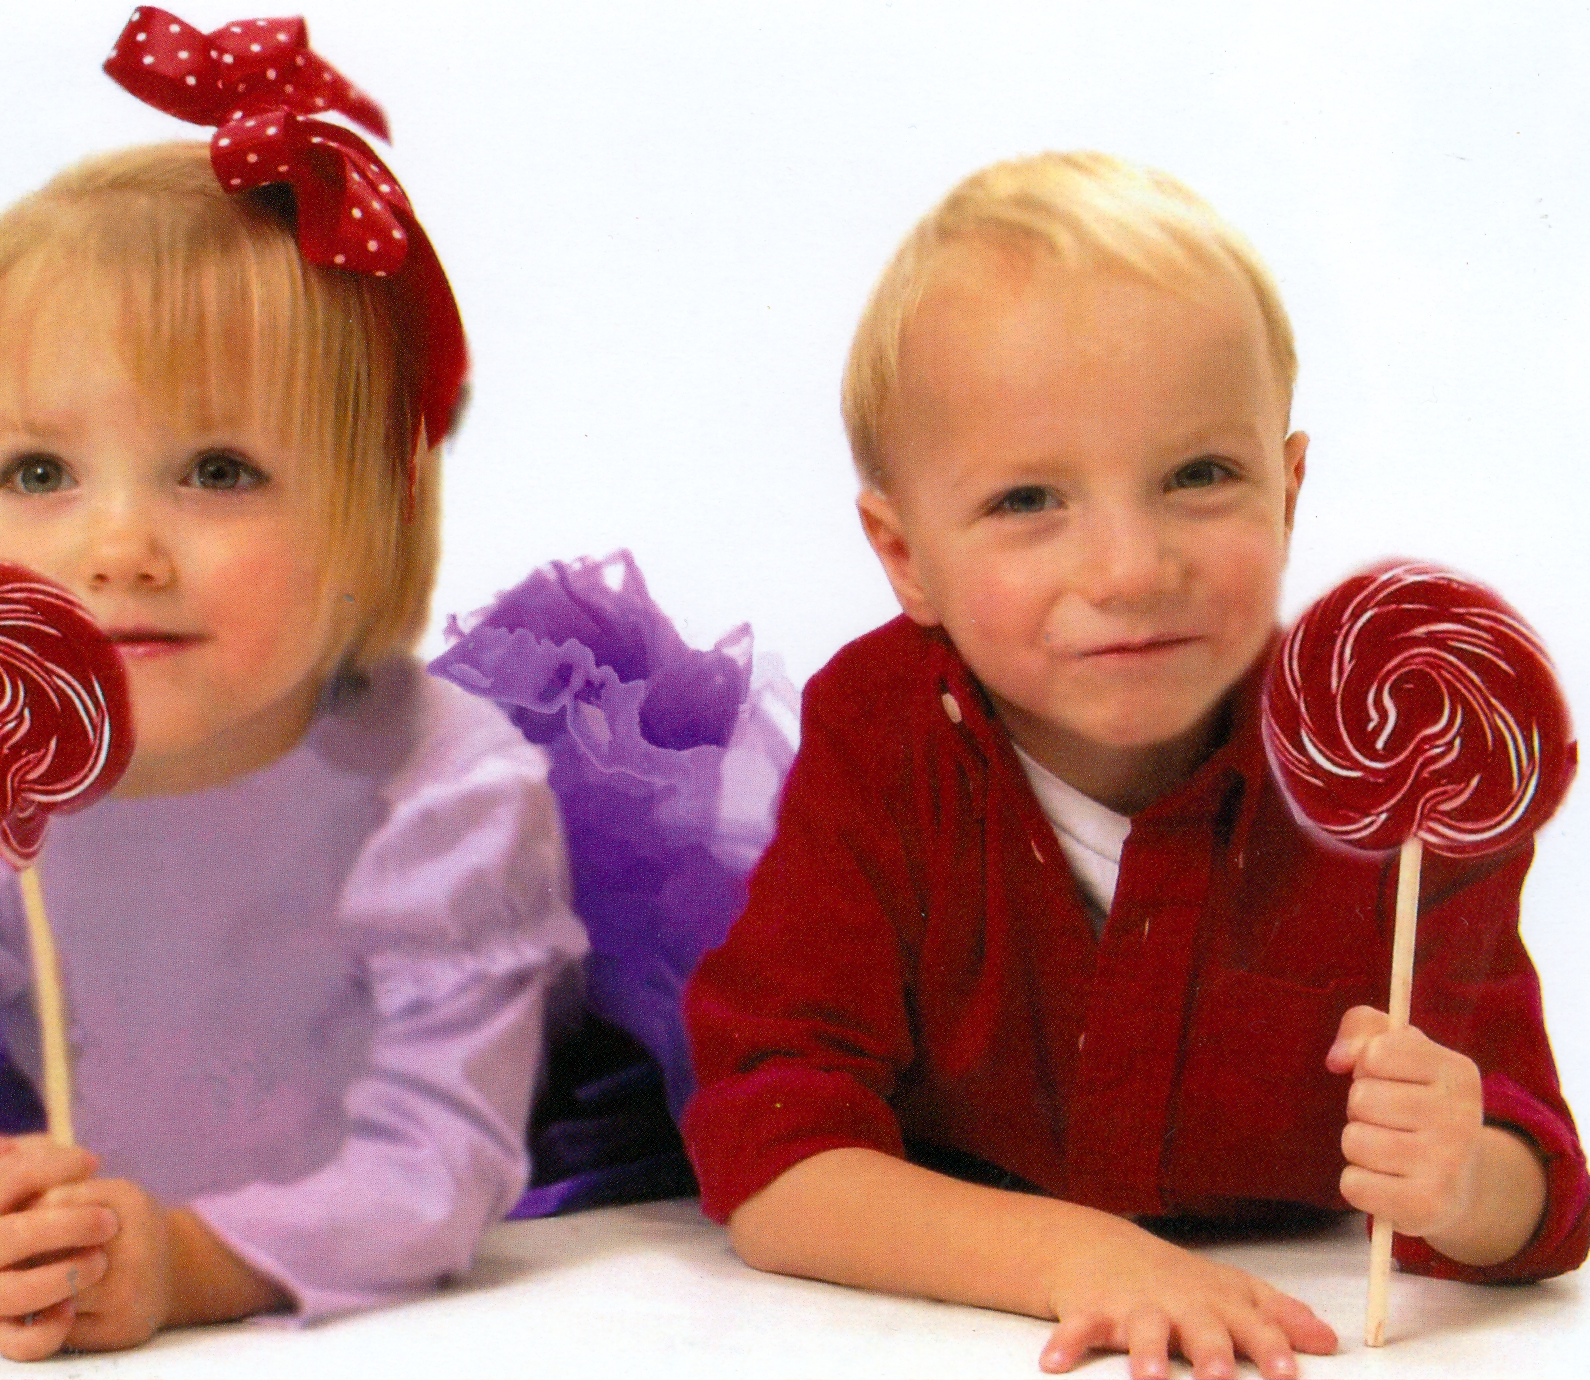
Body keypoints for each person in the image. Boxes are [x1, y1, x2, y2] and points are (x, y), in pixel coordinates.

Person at [0, 17, 592, 1361]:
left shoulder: (441, 799)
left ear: (372, 512)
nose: (117, 549)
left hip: (381, 1191)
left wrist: (190, 1264)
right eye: (39, 473)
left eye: (219, 471)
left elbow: (435, 1158)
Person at [680, 151, 1588, 1380]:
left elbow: (1540, 1192)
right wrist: (1078, 1259)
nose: (1127, 569)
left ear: (1287, 488)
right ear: (902, 556)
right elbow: (774, 1158)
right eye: (1026, 501)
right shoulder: (882, 735)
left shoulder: (1391, 765)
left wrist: (1463, 1177)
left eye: (1199, 476)